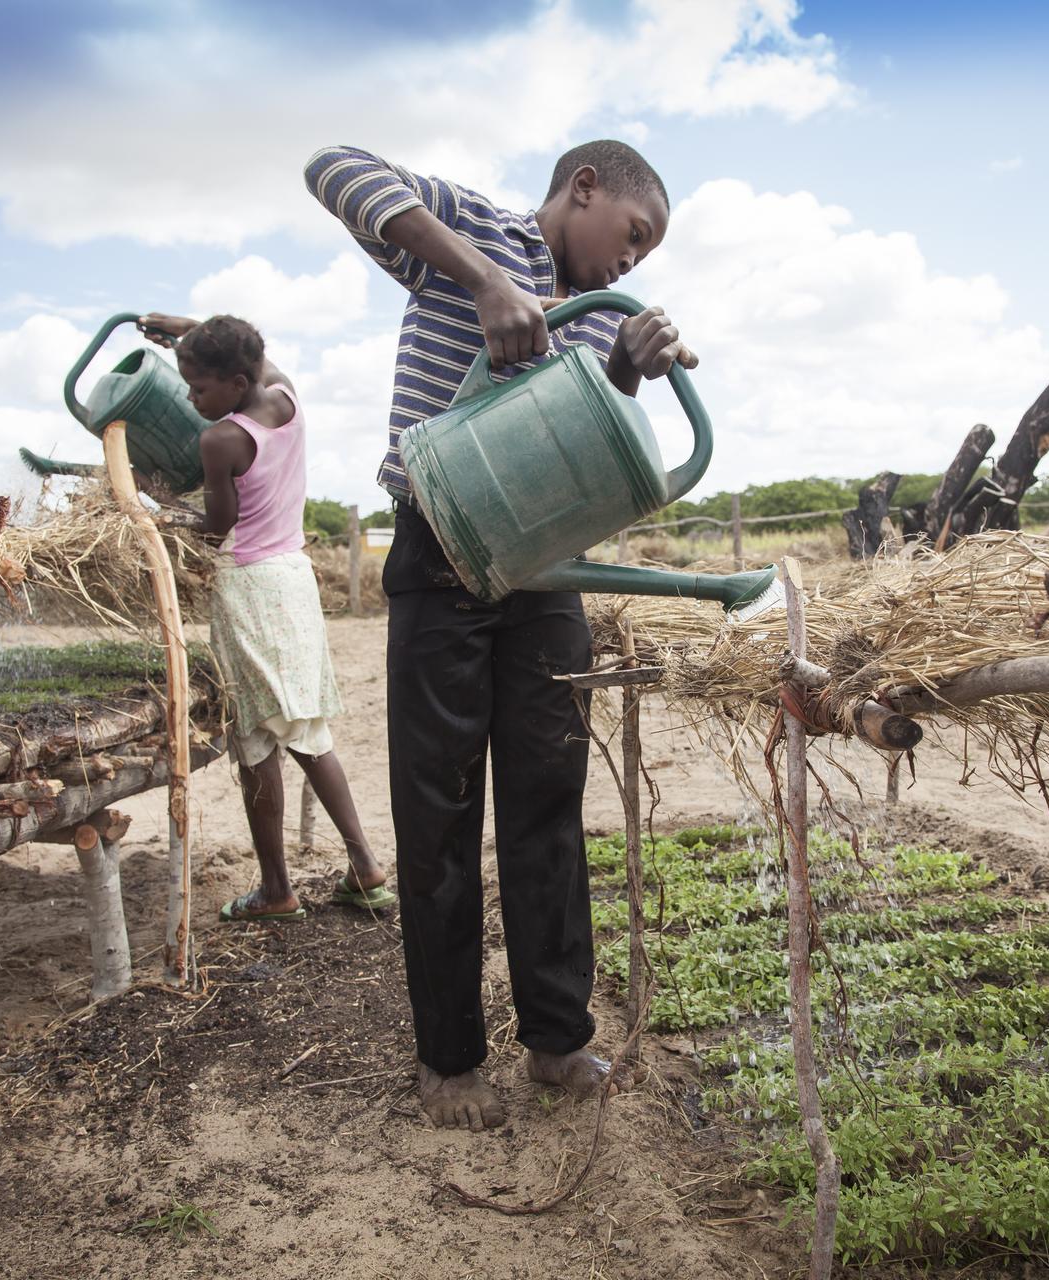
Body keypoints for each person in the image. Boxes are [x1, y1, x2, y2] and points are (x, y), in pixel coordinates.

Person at [304, 140, 693, 1130]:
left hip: (545, 569)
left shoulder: (589, 313)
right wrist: (481, 281)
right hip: (441, 547)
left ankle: (558, 1039)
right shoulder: (472, 230)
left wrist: (625, 365)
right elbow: (332, 166)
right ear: (584, 189)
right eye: (633, 234)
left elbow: (575, 429)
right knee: (437, 814)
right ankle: (449, 1060)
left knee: (548, 803)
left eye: (648, 254)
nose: (632, 259)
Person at [135, 310, 395, 921]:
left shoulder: (220, 439)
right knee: (306, 728)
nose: (193, 398)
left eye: (199, 387)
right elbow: (257, 355)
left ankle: (278, 891)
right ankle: (363, 863)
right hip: (292, 580)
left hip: (247, 587)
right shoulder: (285, 397)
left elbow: (216, 527)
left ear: (235, 380)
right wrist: (186, 328)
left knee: (258, 741)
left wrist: (158, 501)